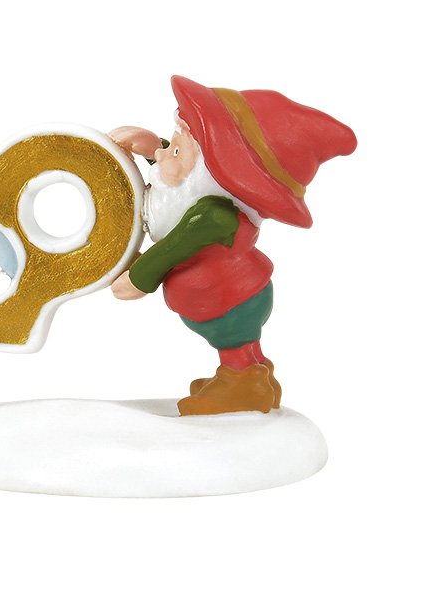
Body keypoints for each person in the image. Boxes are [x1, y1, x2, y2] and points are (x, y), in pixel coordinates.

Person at [109, 75, 356, 415]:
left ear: (219, 175)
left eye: (175, 150)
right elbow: (181, 185)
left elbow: (172, 247)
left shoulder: (213, 216)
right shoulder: (202, 194)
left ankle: (243, 383)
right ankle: (253, 374)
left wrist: (139, 278)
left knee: (234, 341)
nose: (167, 155)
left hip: (227, 301)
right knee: (244, 345)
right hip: (239, 294)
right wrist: (155, 148)